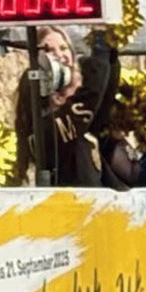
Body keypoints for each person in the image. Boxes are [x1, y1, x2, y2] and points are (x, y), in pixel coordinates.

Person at [14, 26, 120, 187]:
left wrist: (111, 48)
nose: (59, 54)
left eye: (63, 48)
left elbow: (103, 97)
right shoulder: (43, 125)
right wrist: (100, 42)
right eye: (48, 50)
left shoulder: (78, 109)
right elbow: (91, 94)